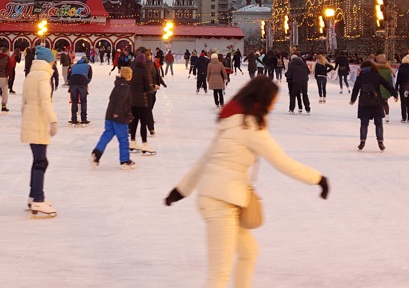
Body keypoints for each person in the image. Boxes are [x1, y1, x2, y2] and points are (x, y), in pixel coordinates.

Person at [163, 76, 329, 288]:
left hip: (219, 199)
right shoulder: (250, 127)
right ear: (262, 99)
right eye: (272, 101)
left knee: (248, 252)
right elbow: (283, 162)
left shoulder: (232, 122)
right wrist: (318, 179)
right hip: (220, 203)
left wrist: (180, 190)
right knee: (219, 275)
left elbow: (204, 160)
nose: (273, 106)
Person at [21, 46, 57, 217]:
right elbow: (45, 100)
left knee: (39, 161)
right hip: (38, 121)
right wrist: (53, 120)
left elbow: (23, 102)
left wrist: (26, 117)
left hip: (31, 120)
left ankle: (32, 196)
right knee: (41, 162)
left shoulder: (31, 75)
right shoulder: (43, 76)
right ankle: (38, 199)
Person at [90, 66, 136, 170]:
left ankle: (96, 154)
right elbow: (121, 101)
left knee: (107, 135)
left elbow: (112, 99)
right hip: (119, 117)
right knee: (123, 139)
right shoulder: (125, 87)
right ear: (130, 76)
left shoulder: (118, 85)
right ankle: (125, 161)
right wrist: (119, 113)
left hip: (110, 115)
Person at [350, 60, 397, 151]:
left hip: (364, 102)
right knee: (378, 123)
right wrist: (395, 94)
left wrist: (353, 99)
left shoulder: (361, 77)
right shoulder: (377, 76)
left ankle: (362, 142)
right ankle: (380, 142)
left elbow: (355, 89)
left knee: (364, 124)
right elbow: (387, 85)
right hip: (376, 102)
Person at [129, 51, 157, 155]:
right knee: (143, 123)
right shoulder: (144, 71)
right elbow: (147, 88)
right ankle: (144, 144)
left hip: (132, 100)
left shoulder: (132, 70)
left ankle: (132, 142)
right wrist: (153, 87)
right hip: (141, 101)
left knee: (134, 121)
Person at [67, 55, 93, 125]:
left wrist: (70, 83)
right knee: (83, 101)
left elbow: (68, 77)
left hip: (73, 83)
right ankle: (83, 119)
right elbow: (89, 77)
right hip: (82, 83)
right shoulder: (88, 66)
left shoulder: (74, 66)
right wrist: (85, 83)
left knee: (74, 101)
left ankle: (74, 118)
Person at [395, 55, 409, 122]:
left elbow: (398, 79)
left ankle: (404, 117)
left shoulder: (401, 68)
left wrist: (396, 87)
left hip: (403, 87)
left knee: (403, 102)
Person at [375, 55, 395, 123]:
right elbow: (390, 81)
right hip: (386, 89)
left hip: (378, 89)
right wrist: (391, 90)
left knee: (378, 103)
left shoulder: (376, 70)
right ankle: (387, 116)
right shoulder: (388, 71)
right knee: (385, 103)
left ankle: (379, 115)